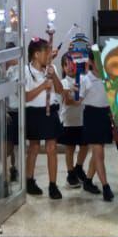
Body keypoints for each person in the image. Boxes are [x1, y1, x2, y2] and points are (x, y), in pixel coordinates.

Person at [24, 37, 63, 200]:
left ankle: (53, 185)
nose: (49, 55)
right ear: (35, 54)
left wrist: (53, 77)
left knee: (51, 148)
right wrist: (42, 86)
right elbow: (26, 96)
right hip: (34, 112)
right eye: (45, 52)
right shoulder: (26, 71)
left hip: (51, 111)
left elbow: (60, 90)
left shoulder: (51, 68)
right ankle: (29, 180)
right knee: (33, 147)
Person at [81, 61, 115, 202]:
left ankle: (88, 180)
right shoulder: (86, 79)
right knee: (98, 152)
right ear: (91, 63)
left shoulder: (108, 77)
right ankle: (106, 186)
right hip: (92, 115)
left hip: (105, 115)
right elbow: (77, 100)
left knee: (98, 153)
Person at [58, 53, 88, 189]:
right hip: (68, 121)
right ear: (63, 68)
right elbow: (68, 100)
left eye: (72, 64)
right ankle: (70, 173)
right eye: (66, 64)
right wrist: (78, 98)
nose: (70, 67)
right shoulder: (63, 83)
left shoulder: (83, 79)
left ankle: (79, 167)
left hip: (82, 119)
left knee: (85, 145)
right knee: (70, 148)